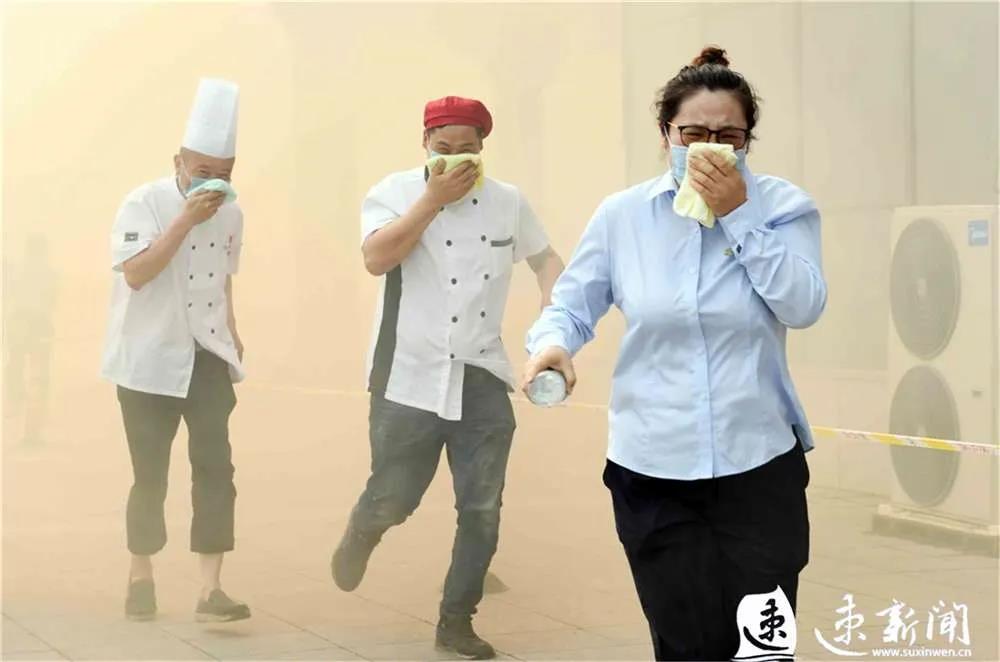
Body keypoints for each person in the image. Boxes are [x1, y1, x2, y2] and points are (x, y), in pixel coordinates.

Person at [523, 47, 826, 661]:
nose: (711, 147)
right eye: (694, 133)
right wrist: (551, 346)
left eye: (728, 136)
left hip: (757, 463)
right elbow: (573, 304)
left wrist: (739, 215)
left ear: (747, 141)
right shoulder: (623, 216)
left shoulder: (782, 207)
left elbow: (802, 305)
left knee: (763, 649)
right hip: (653, 467)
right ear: (666, 134)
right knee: (685, 643)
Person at [332, 95, 564, 660]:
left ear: (483, 148)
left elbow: (547, 261)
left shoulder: (507, 202)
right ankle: (365, 527)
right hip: (407, 374)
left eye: (467, 150)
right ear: (425, 144)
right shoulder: (393, 192)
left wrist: (553, 314)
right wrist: (431, 201)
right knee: (396, 497)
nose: (455, 159)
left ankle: (456, 620)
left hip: (481, 372)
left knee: (482, 508)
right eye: (443, 149)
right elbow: (376, 259)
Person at [100, 78, 250, 623]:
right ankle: (141, 574)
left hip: (207, 356)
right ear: (179, 162)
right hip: (147, 359)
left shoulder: (232, 213)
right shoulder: (143, 202)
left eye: (225, 173)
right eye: (203, 170)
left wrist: (232, 330)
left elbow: (223, 277)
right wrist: (186, 219)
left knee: (216, 469)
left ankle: (211, 589)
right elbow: (136, 274)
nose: (214, 182)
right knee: (151, 475)